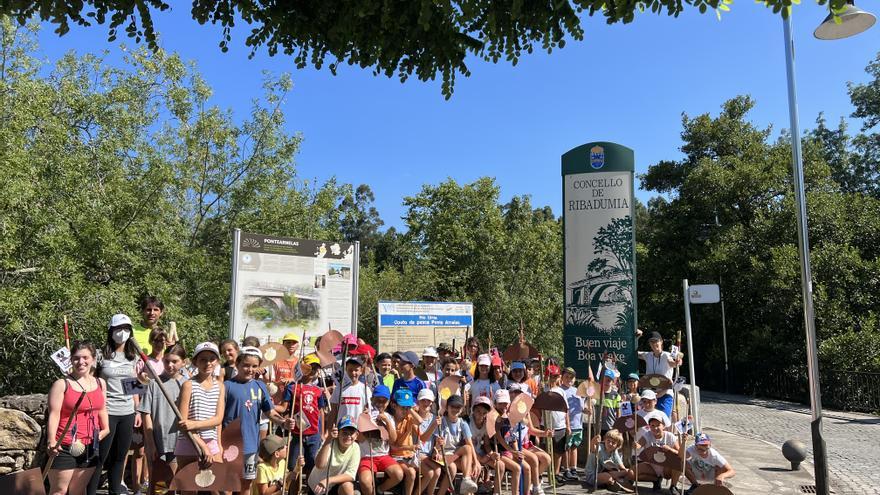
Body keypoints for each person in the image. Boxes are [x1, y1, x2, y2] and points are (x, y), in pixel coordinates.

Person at [225, 346, 295, 494]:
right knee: (229, 485)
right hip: (229, 445)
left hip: (251, 446)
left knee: (246, 484)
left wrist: (283, 422)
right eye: (246, 365)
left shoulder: (260, 386)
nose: (250, 369)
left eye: (254, 366)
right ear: (237, 364)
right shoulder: (226, 386)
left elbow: (270, 412)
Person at [46, 341, 110, 495]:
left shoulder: (100, 383)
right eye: (76, 358)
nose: (81, 362)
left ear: (93, 359)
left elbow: (101, 408)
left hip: (89, 446)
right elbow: (54, 414)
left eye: (85, 357)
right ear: (71, 360)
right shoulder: (61, 384)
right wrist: (51, 440)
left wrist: (106, 428)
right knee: (59, 491)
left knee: (79, 490)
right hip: (64, 445)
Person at [89, 314, 140, 495]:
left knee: (119, 457)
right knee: (100, 457)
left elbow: (132, 385)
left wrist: (138, 410)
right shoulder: (101, 355)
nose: (122, 333)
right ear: (111, 331)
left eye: (126, 329)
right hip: (106, 412)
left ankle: (115, 491)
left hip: (127, 413)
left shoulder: (132, 357)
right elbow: (90, 379)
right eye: (118, 329)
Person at [175, 341, 226, 494]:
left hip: (211, 442)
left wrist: (217, 443)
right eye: (203, 359)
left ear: (217, 361)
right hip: (189, 443)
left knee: (217, 488)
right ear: (195, 361)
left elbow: (218, 419)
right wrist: (202, 445)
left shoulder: (220, 386)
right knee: (189, 489)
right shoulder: (188, 385)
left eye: (212, 358)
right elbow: (183, 423)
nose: (208, 363)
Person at [139, 344, 187, 495]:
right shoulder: (154, 383)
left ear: (183, 362)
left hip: (178, 442)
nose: (170, 365)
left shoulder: (187, 384)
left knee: (172, 484)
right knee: (156, 484)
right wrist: (150, 442)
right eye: (167, 361)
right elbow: (146, 413)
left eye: (175, 361)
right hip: (158, 441)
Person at [278, 353, 325, 476]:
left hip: (314, 434)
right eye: (310, 367)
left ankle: (310, 490)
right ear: (302, 368)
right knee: (294, 468)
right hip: (297, 434)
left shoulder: (318, 391)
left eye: (315, 368)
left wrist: (322, 433)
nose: (312, 371)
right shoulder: (293, 388)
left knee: (313, 467)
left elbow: (321, 412)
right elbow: (284, 408)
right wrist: (269, 405)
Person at [470, 396, 522, 495]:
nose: (481, 414)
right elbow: (468, 445)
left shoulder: (486, 424)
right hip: (470, 453)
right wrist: (479, 459)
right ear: (473, 410)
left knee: (500, 465)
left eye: (484, 412)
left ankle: (496, 492)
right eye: (478, 411)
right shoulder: (468, 422)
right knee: (479, 466)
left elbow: (486, 445)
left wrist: (491, 453)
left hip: (481, 453)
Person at [357, 385, 403, 495]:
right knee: (365, 481)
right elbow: (359, 438)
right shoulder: (364, 414)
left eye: (384, 401)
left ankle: (380, 489)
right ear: (372, 399)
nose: (381, 403)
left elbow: (393, 440)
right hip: (367, 456)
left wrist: (386, 421)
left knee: (398, 474)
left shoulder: (389, 417)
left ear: (388, 402)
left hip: (383, 455)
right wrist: (365, 420)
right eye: (378, 400)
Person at [492, 389, 536, 495]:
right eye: (500, 403)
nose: (503, 406)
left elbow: (512, 437)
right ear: (495, 403)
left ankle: (526, 493)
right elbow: (500, 439)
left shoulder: (509, 418)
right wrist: (513, 451)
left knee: (527, 468)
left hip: (510, 451)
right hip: (498, 452)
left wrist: (517, 452)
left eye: (505, 403)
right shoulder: (493, 418)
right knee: (517, 468)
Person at [437, 394, 480, 494]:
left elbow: (470, 444)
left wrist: (476, 461)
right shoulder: (441, 422)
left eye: (458, 407)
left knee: (474, 466)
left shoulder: (463, 423)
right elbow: (436, 445)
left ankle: (467, 484)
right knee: (453, 467)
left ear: (462, 409)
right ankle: (441, 493)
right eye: (453, 406)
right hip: (441, 455)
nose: (455, 409)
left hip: (454, 455)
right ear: (447, 407)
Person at [307, 416, 361, 495]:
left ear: (356, 435)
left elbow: (350, 475)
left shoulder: (356, 447)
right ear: (338, 433)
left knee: (348, 486)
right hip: (318, 487)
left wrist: (328, 480)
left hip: (334, 484)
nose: (348, 436)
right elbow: (320, 465)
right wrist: (328, 439)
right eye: (345, 433)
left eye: (351, 433)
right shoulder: (329, 442)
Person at [631, 411, 681, 493]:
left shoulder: (670, 436)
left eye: (658, 425)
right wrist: (636, 445)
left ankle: (673, 486)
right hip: (652, 466)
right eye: (652, 426)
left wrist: (670, 449)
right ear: (649, 427)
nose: (655, 428)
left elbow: (679, 453)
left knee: (679, 462)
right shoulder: (647, 434)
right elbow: (639, 444)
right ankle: (656, 480)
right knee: (631, 473)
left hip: (666, 467)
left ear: (663, 426)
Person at [638, 331, 682, 418]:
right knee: (646, 420)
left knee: (662, 420)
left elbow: (672, 363)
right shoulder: (647, 355)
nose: (654, 344)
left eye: (656, 341)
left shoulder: (667, 355)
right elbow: (633, 352)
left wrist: (677, 362)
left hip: (665, 394)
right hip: (649, 395)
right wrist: (637, 337)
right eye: (652, 342)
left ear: (661, 342)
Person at [389, 387, 425, 495]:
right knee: (411, 473)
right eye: (403, 407)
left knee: (428, 472)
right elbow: (393, 447)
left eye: (407, 407)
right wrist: (410, 447)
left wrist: (410, 410)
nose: (405, 410)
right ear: (394, 405)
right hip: (396, 456)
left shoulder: (408, 417)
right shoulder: (391, 420)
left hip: (410, 456)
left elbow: (420, 421)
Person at [413, 389, 443, 495]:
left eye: (428, 401)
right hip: (416, 454)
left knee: (438, 471)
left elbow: (435, 440)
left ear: (432, 402)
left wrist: (437, 448)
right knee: (430, 473)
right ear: (418, 401)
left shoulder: (435, 418)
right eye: (423, 400)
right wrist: (433, 425)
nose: (426, 403)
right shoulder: (414, 418)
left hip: (428, 455)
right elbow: (422, 438)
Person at [544, 365, 570, 482]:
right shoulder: (543, 390)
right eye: (551, 376)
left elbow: (566, 409)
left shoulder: (561, 391)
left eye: (555, 376)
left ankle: (556, 473)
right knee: (548, 451)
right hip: (547, 426)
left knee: (559, 451)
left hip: (560, 425)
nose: (553, 379)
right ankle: (548, 472)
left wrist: (568, 425)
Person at [329, 355, 371, 429]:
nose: (353, 373)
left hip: (359, 429)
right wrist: (329, 430)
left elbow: (369, 411)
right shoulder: (339, 388)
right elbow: (333, 411)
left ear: (361, 371)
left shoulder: (365, 389)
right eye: (350, 370)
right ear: (346, 370)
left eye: (356, 370)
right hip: (342, 429)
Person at [560, 367, 583, 482]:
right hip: (566, 424)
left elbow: (581, 407)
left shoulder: (577, 390)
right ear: (562, 377)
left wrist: (587, 410)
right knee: (566, 447)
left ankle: (574, 468)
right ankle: (566, 469)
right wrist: (567, 425)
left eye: (571, 377)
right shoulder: (560, 390)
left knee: (575, 446)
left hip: (578, 424)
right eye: (567, 377)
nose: (569, 379)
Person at [594, 369, 622, 436]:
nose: (606, 382)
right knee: (598, 445)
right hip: (598, 427)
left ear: (613, 382)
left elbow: (619, 413)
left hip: (611, 427)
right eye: (604, 380)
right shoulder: (596, 394)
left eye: (608, 380)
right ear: (600, 381)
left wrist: (618, 426)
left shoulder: (616, 396)